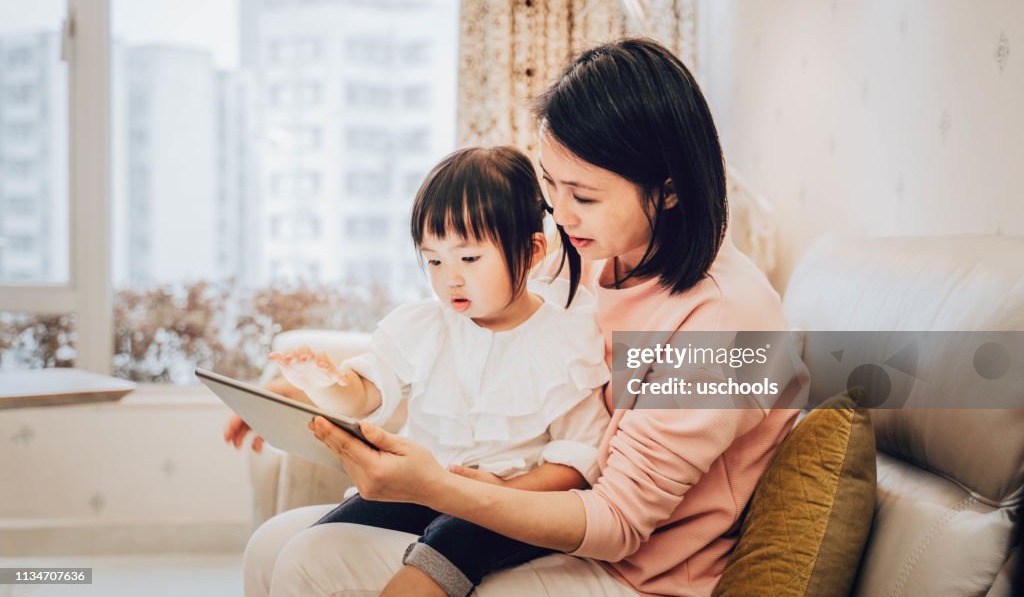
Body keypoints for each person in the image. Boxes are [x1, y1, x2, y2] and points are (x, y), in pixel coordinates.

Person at [240, 37, 807, 597]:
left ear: (669, 191)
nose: (559, 214)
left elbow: (618, 524)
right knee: (271, 544)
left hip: (631, 571)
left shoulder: (728, 324)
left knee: (312, 559)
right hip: (531, 515)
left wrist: (440, 489)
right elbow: (466, 334)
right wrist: (310, 389)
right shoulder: (588, 253)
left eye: (583, 196)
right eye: (551, 185)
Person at [235, 145, 610, 596]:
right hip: (422, 491)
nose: (450, 277)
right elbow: (365, 394)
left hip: (512, 504)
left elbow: (576, 460)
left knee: (461, 534)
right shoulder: (425, 326)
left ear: (531, 253)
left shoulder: (567, 336)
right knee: (314, 539)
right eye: (434, 260)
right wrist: (320, 382)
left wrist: (504, 493)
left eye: (469, 259)